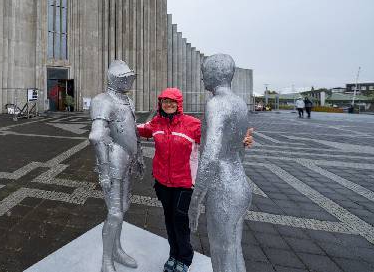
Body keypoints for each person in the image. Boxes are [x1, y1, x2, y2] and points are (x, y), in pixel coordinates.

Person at [137, 87, 253, 272]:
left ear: (179, 104)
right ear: (160, 103)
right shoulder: (156, 123)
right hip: (162, 183)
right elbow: (140, 130)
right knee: (169, 220)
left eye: (172, 101)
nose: (168, 104)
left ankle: (184, 259)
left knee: (181, 222)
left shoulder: (192, 124)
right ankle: (173, 255)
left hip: (184, 184)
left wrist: (240, 140)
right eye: (165, 101)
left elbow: (217, 141)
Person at [188, 54, 252, 272]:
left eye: (204, 73)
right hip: (240, 182)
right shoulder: (240, 103)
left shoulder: (216, 104)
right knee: (234, 250)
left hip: (222, 188)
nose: (202, 78)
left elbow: (211, 156)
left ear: (215, 74)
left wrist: (195, 201)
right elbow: (239, 149)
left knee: (221, 256)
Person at [89, 60, 144, 272]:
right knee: (114, 213)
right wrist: (103, 170)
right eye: (125, 78)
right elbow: (97, 135)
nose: (129, 81)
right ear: (115, 79)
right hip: (112, 161)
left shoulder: (127, 100)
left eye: (130, 78)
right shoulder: (103, 100)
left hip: (127, 160)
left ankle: (117, 249)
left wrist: (138, 156)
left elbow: (134, 131)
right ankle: (106, 260)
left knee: (124, 208)